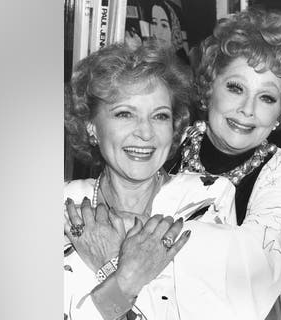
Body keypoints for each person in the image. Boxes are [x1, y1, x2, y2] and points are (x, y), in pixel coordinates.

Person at [63, 40, 237, 320]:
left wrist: (112, 267)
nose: (145, 132)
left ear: (174, 127)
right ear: (91, 125)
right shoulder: (61, 207)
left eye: (159, 116)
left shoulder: (206, 202)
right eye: (125, 114)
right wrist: (124, 279)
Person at [165, 8, 281, 318]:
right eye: (235, 88)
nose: (247, 109)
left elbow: (248, 270)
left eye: (267, 98)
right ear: (208, 89)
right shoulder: (167, 143)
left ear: (280, 114)